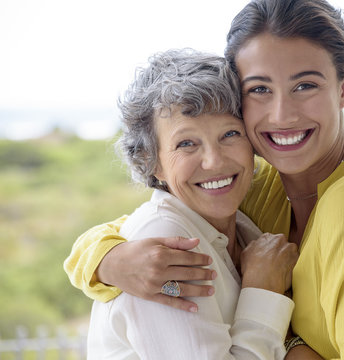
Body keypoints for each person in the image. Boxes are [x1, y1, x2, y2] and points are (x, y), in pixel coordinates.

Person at [65, 0, 344, 358]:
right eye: (260, 89)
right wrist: (105, 259)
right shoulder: (257, 185)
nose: (281, 115)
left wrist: (289, 341)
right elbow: (154, 222)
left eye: (305, 85)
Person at [83, 48, 299, 359]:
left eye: (230, 134)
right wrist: (262, 291)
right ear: (152, 161)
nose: (214, 161)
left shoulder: (241, 225)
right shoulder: (163, 242)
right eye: (186, 143)